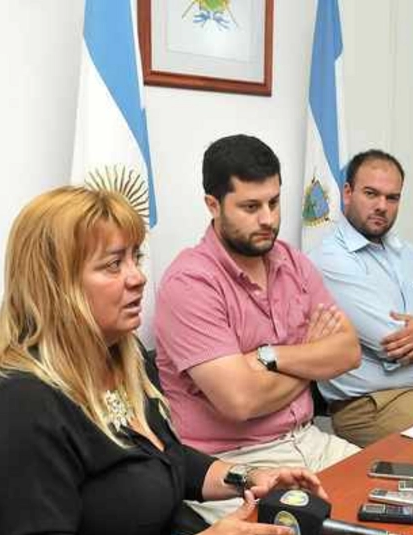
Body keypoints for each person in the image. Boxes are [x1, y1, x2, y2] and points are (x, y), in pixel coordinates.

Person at [0, 186, 322, 535]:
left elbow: (163, 458)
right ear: (56, 285)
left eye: (135, 257)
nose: (138, 277)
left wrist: (248, 476)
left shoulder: (119, 360)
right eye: (114, 264)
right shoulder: (17, 407)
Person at [154, 135, 361, 523]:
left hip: (310, 441)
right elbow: (240, 401)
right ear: (213, 205)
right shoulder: (190, 283)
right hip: (235, 467)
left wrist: (270, 356)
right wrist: (313, 357)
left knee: (406, 505)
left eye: (274, 202)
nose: (268, 219)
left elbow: (349, 351)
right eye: (251, 207)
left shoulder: (293, 262)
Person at [308, 150, 413, 446]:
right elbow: (393, 345)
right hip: (376, 402)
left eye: (392, 198)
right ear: (347, 193)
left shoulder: (406, 252)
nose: (381, 206)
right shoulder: (329, 260)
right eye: (371, 194)